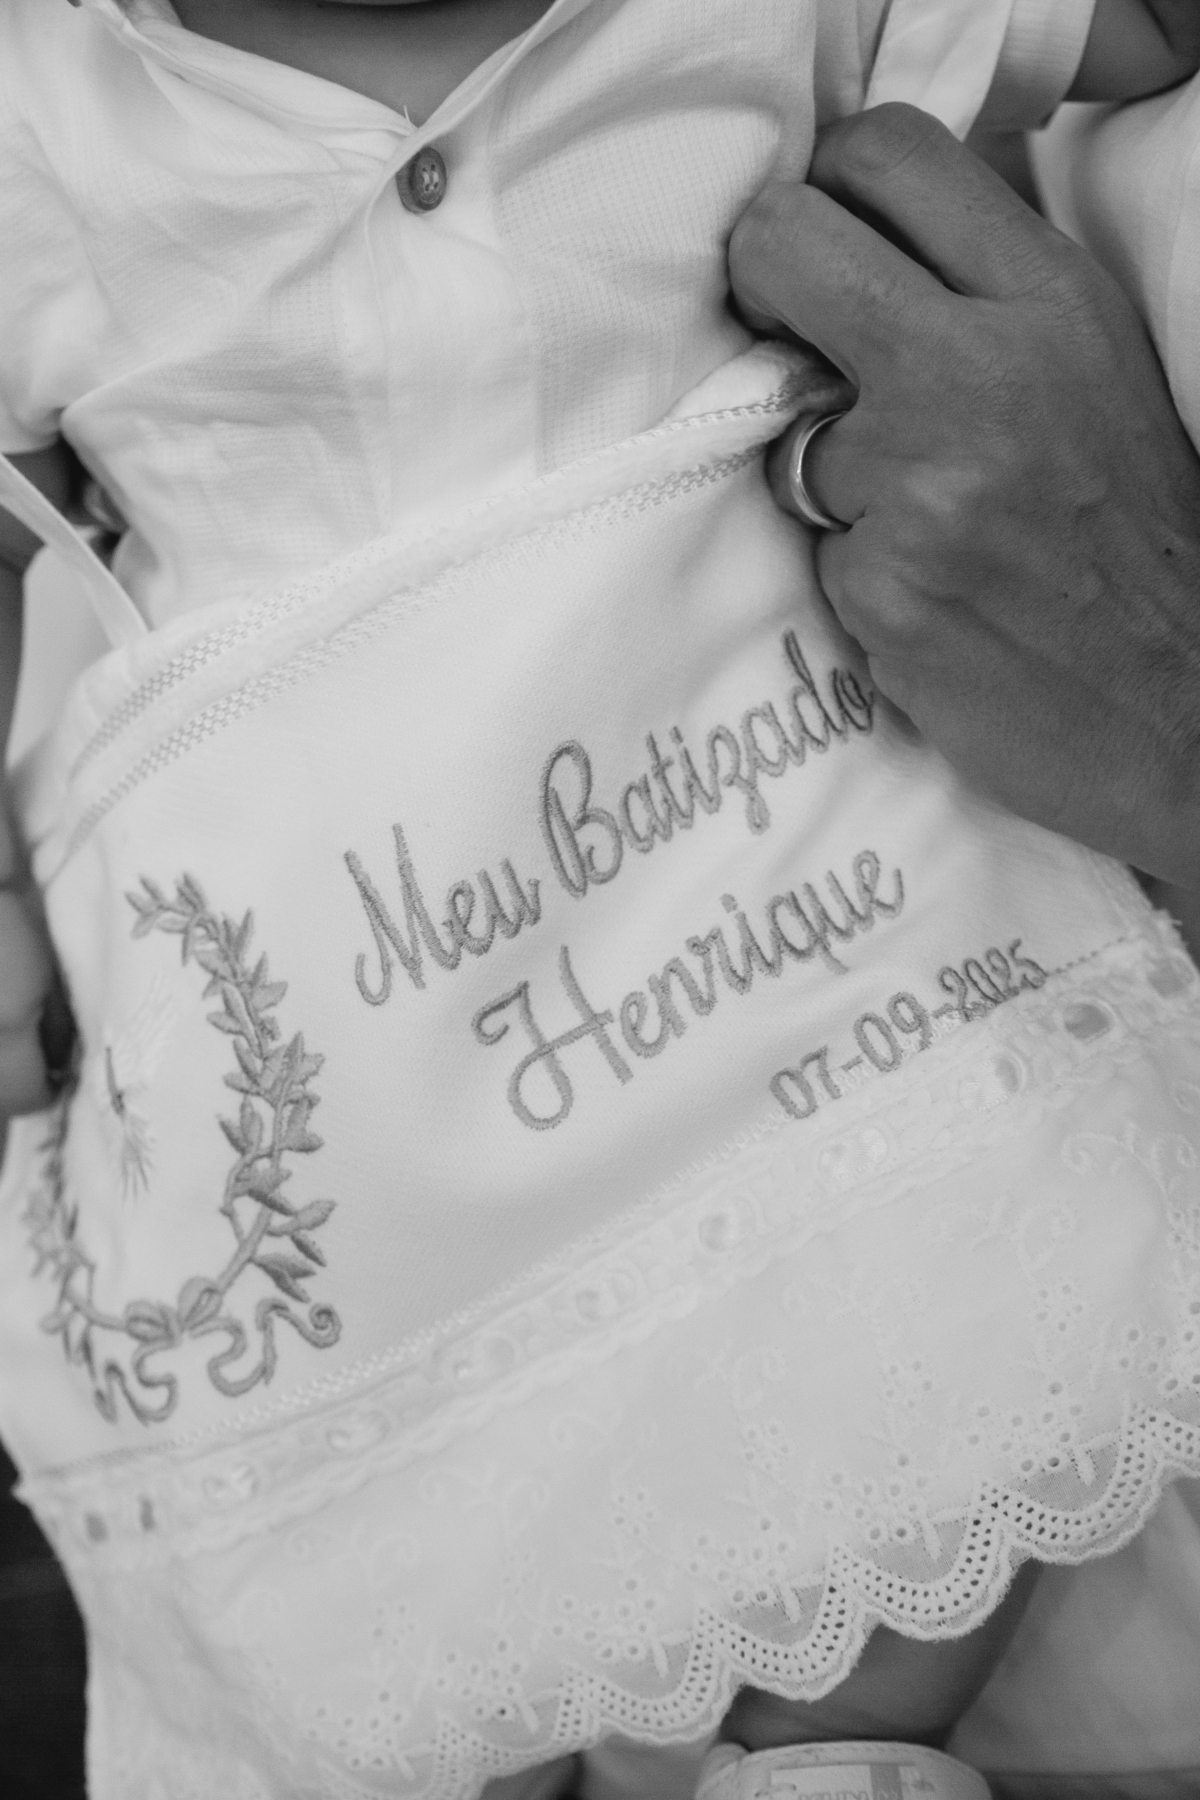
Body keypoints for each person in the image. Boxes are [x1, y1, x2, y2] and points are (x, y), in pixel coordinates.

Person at [1, 6, 1200, 1800]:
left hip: (772, 848)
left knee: (958, 1331)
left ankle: (837, 1756)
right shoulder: (37, 109)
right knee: (400, 1552)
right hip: (347, 945)